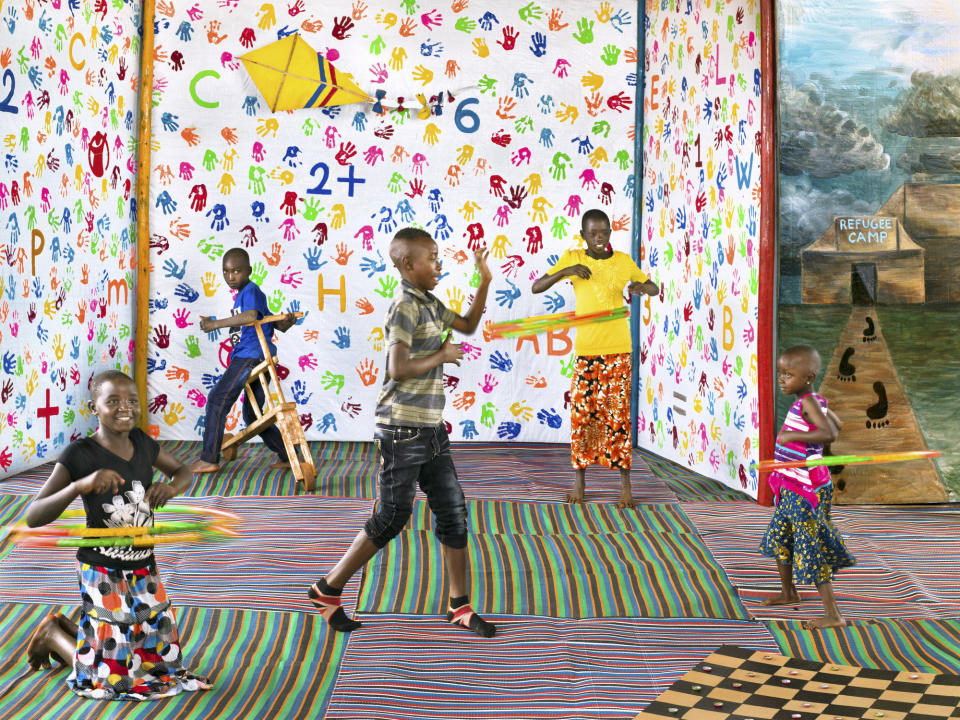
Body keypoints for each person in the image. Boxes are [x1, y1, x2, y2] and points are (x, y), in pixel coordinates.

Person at [307, 227, 496, 637]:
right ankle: (328, 588)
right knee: (392, 517)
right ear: (408, 265)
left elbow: (465, 324)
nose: (439, 264)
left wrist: (484, 282)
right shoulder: (405, 307)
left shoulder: (429, 302)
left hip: (430, 429)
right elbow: (398, 368)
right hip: (400, 430)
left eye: (439, 256)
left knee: (453, 513)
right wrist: (441, 355)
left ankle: (459, 607)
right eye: (431, 257)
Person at [23, 370, 211, 699]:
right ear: (94, 407)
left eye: (132, 401)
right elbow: (33, 516)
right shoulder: (80, 455)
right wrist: (79, 485)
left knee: (157, 665)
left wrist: (171, 487)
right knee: (114, 680)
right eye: (113, 401)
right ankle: (53, 635)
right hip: (101, 569)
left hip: (143, 565)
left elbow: (182, 471)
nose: (125, 407)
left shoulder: (141, 442)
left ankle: (69, 630)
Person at [530, 209, 658, 508]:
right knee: (583, 416)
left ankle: (625, 485)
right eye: (593, 233)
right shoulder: (574, 258)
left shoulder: (623, 261)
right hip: (587, 351)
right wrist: (566, 271)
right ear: (583, 235)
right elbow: (536, 286)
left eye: (604, 232)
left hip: (618, 350)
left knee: (617, 417)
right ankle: (580, 481)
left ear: (611, 232)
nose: (599, 238)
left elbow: (652, 286)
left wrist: (641, 288)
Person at [759, 345, 855, 629]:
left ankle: (833, 614)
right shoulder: (812, 400)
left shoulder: (809, 403)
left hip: (806, 489)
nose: (782, 379)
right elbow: (836, 426)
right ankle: (789, 593)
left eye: (788, 375)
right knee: (781, 537)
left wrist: (791, 436)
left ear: (809, 376)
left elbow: (828, 433)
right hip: (792, 483)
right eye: (780, 373)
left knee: (809, 545)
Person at [189, 247, 296, 474]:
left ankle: (209, 458)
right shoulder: (246, 295)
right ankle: (288, 456)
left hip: (249, 356)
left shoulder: (251, 291)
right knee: (253, 415)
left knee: (217, 399)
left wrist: (215, 324)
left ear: (248, 270)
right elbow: (273, 323)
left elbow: (249, 317)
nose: (231, 277)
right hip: (257, 356)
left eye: (236, 271)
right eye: (226, 272)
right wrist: (287, 322)